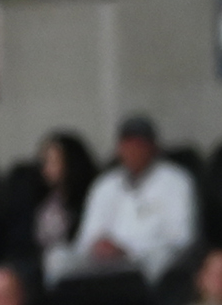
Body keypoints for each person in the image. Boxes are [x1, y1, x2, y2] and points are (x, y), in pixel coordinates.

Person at [45, 115, 197, 287]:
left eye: (138, 145)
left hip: (144, 262)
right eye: (126, 144)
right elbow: (86, 238)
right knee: (57, 257)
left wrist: (127, 251)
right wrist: (98, 246)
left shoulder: (176, 181)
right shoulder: (105, 184)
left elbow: (182, 239)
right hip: (103, 263)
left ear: (152, 147)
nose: (131, 151)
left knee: (161, 258)